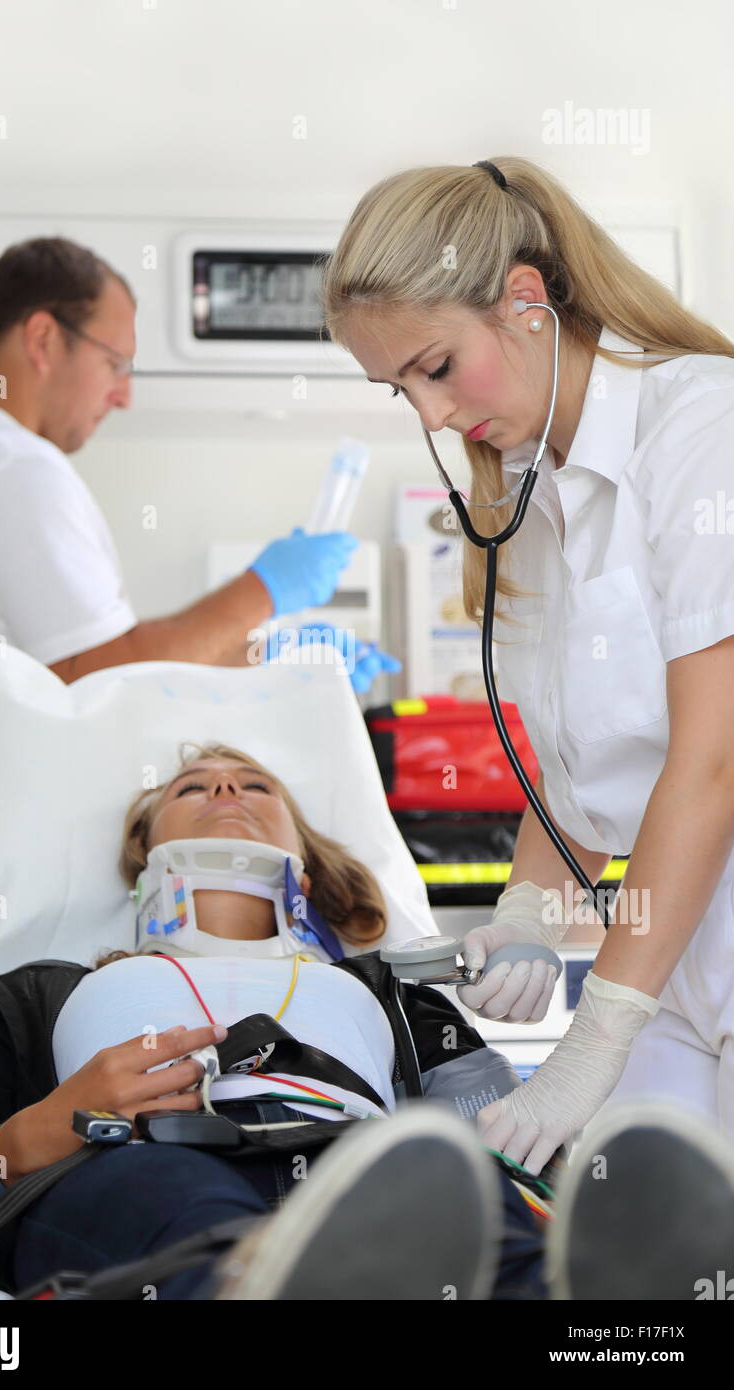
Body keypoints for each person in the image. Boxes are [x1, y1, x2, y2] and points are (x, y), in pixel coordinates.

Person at [320, 154, 734, 1174]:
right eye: (397, 387)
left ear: (523, 302)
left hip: (685, 926)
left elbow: (711, 761)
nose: (425, 415)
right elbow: (577, 770)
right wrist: (522, 916)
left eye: (434, 366)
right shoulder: (530, 498)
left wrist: (592, 1037)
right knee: (623, 1245)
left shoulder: (700, 429)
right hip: (672, 946)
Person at [0, 743, 552, 1301]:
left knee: (464, 1192)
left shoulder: (392, 993)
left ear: (307, 873)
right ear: (142, 856)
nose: (227, 784)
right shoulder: (39, 997)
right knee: (177, 1198)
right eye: (191, 787)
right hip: (143, 1168)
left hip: (358, 1173)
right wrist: (42, 1130)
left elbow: (510, 1148)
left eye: (255, 784)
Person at [0, 236, 398, 793]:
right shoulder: (12, 470)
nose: (123, 396)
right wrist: (263, 591)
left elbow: (70, 664)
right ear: (43, 338)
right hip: (27, 848)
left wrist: (262, 656)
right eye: (115, 364)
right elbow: (107, 680)